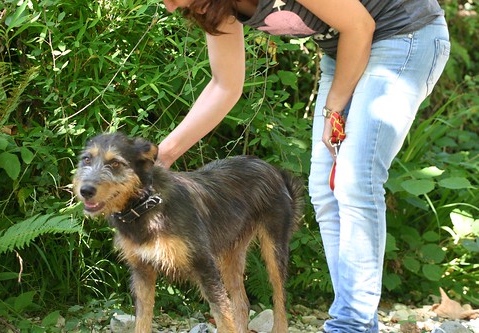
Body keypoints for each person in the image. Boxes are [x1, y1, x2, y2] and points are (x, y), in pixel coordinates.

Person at [156, 0, 450, 331]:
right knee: (326, 191)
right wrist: (164, 155)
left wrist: (333, 109)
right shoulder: (213, 5)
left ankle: (350, 324)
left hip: (405, 35)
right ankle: (358, 323)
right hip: (345, 51)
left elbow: (360, 25)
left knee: (355, 179)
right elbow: (225, 85)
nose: (168, 8)